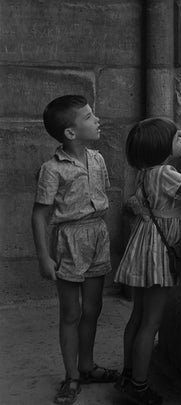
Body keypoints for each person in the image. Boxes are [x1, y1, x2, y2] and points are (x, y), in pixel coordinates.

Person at [114, 118, 181, 405]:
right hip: (159, 252)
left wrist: (180, 148)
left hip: (144, 245)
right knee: (151, 323)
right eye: (176, 137)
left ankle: (128, 374)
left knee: (137, 317)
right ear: (162, 148)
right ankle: (140, 387)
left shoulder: (145, 172)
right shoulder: (166, 173)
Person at [31, 95, 118, 405]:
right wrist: (44, 256)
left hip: (97, 235)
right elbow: (40, 214)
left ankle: (87, 365)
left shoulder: (98, 159)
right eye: (89, 117)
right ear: (70, 132)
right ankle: (71, 376)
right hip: (70, 239)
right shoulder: (52, 169)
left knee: (93, 309)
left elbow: (101, 196)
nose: (97, 120)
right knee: (72, 312)